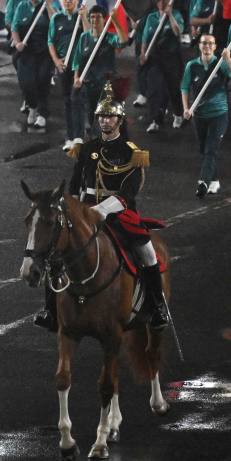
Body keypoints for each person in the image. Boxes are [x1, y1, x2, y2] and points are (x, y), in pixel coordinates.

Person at [45, 82, 168, 331]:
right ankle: (50, 311)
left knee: (147, 251)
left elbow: (128, 192)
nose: (104, 120)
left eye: (109, 116)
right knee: (53, 249)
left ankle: (156, 308)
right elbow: (76, 184)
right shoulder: (86, 149)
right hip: (85, 210)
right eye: (101, 116)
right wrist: (72, 209)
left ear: (119, 120)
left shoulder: (131, 153)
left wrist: (102, 210)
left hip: (119, 212)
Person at [181, 34, 231, 198]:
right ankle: (214, 181)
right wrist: (186, 108)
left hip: (218, 114)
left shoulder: (220, 64)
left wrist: (228, 60)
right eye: (204, 43)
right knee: (204, 148)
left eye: (210, 43)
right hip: (199, 115)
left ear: (215, 47)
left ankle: (203, 181)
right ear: (199, 46)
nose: (207, 45)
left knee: (211, 149)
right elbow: (185, 88)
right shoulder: (192, 66)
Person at [71, 4, 128, 141]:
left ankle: (105, 145)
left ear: (104, 19)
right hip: (90, 83)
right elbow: (77, 59)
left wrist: (115, 20)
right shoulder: (84, 37)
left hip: (106, 84)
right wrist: (76, 77)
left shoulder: (109, 37)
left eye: (98, 17)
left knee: (103, 115)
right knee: (91, 116)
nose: (94, 20)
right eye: (92, 17)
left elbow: (123, 42)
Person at [138, 0, 186, 132]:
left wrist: (170, 16)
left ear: (169, 0)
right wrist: (143, 53)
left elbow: (178, 32)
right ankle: (154, 120)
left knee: (172, 89)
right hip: (155, 58)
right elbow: (145, 38)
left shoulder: (176, 14)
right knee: (154, 88)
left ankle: (178, 114)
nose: (161, 2)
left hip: (172, 58)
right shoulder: (151, 18)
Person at [10, 0, 52, 127]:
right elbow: (14, 27)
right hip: (27, 52)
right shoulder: (22, 6)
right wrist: (17, 43)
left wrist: (49, 6)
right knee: (27, 83)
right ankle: (32, 107)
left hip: (45, 52)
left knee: (42, 80)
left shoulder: (47, 6)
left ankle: (42, 113)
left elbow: (55, 23)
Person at [48, 0, 82, 150]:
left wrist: (84, 18)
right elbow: (50, 42)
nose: (67, 1)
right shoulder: (56, 18)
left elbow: (91, 36)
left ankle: (79, 137)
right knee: (68, 101)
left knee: (77, 100)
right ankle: (70, 137)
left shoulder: (82, 17)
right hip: (64, 66)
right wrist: (56, 61)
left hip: (80, 66)